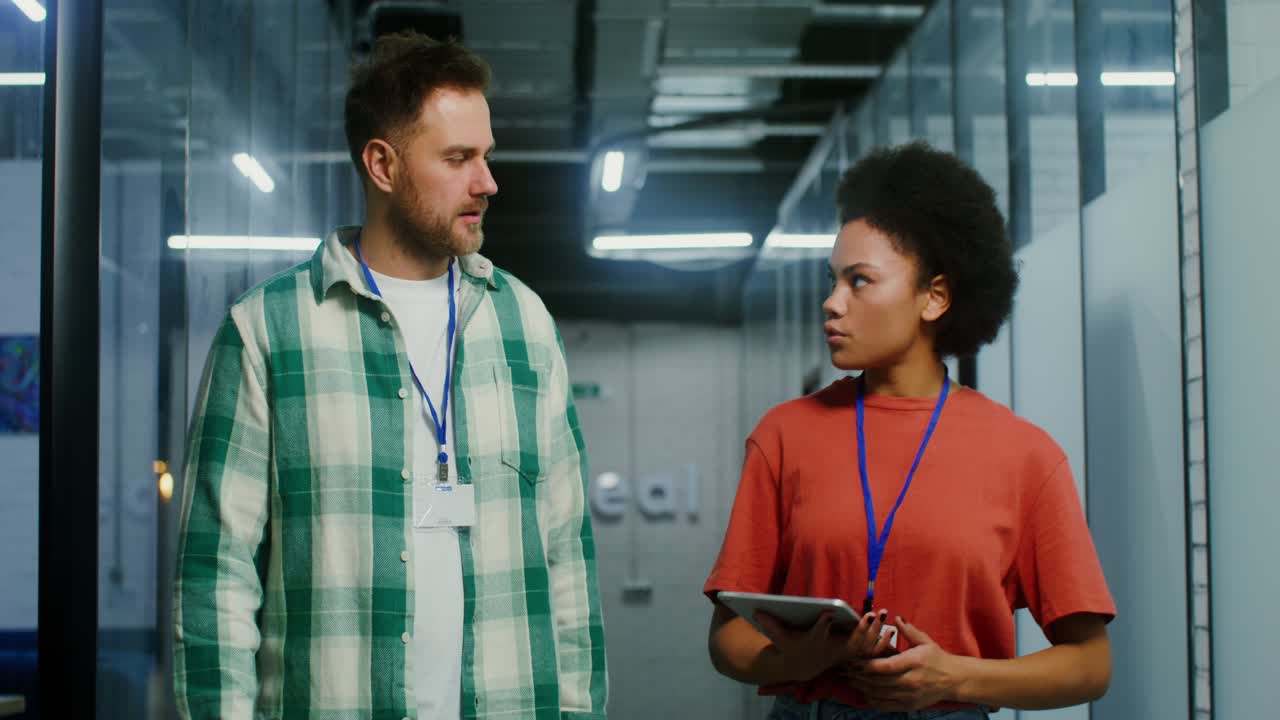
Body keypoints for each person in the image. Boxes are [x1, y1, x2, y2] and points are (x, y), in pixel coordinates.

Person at [173, 33, 607, 720]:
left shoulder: (523, 323)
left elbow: (567, 560)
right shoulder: (267, 332)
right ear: (382, 164)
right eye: (458, 158)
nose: (487, 182)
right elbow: (215, 578)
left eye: (486, 156)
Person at [704, 142, 1115, 718]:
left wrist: (955, 677)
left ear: (934, 297)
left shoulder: (1025, 456)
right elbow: (726, 636)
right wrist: (798, 660)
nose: (831, 303)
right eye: (832, 280)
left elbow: (1090, 665)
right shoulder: (783, 435)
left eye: (859, 281)